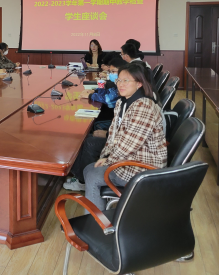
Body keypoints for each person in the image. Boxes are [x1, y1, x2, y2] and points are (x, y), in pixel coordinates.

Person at [83, 63, 167, 211]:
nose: (120, 84)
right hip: (129, 159)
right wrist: (106, 156)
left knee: (91, 175)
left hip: (142, 167)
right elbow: (113, 136)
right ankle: (102, 212)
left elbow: (129, 145)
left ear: (139, 83)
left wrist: (109, 160)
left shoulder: (143, 106)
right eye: (119, 80)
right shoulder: (122, 102)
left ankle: (96, 221)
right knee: (89, 169)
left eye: (126, 81)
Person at [65, 57, 127, 192]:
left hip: (129, 162)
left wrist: (108, 135)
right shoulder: (118, 88)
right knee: (85, 138)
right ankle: (79, 175)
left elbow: (109, 100)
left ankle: (82, 180)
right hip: (116, 134)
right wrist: (96, 90)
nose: (111, 74)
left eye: (113, 71)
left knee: (89, 139)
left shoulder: (138, 102)